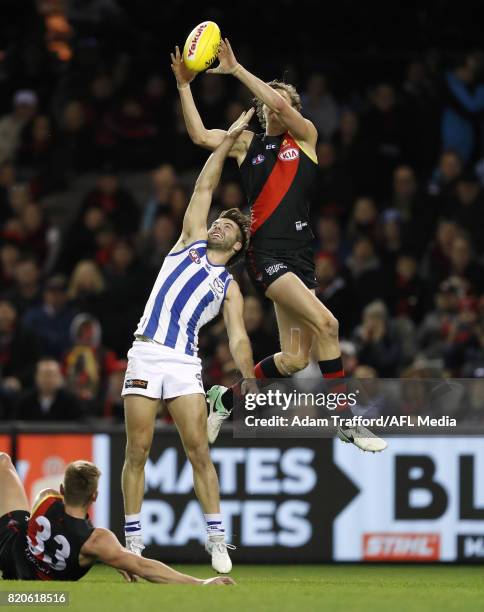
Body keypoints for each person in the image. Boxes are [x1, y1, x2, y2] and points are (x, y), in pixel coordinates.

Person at [171, 41, 387, 453]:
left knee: (294, 360)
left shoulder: (305, 137)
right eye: (269, 101)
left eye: (283, 101)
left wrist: (235, 68)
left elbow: (286, 109)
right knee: (328, 326)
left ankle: (225, 398)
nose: (275, 105)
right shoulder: (245, 144)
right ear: (261, 107)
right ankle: (344, 421)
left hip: (300, 259)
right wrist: (184, 86)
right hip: (265, 255)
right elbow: (200, 136)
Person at [121, 110, 256, 574]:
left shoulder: (229, 287)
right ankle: (133, 543)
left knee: (198, 450)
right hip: (146, 351)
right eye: (220, 222)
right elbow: (204, 187)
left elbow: (238, 336)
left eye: (229, 228)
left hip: (182, 363)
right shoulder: (189, 242)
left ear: (237, 246)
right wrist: (229, 138)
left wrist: (249, 375)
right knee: (136, 451)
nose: (219, 226)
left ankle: (217, 540)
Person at [0, 454, 233, 585]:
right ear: (95, 496)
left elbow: (57, 527)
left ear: (62, 488)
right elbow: (143, 567)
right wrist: (200, 583)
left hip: (10, 549)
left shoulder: (46, 497)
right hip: (35, 579)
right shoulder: (97, 542)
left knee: (3, 461)